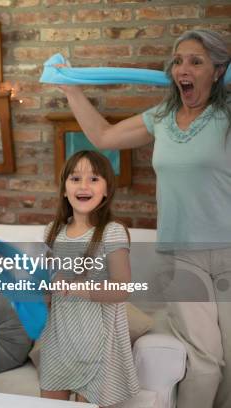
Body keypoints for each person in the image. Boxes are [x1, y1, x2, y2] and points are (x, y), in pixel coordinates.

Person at [55, 29, 231, 408]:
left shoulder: (228, 115)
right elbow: (103, 136)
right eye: (178, 60)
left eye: (196, 62)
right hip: (183, 255)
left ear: (217, 71)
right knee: (205, 363)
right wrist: (71, 89)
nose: (183, 68)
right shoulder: (162, 117)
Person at [39, 150, 139, 405]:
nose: (84, 185)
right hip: (58, 343)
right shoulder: (53, 231)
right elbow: (49, 287)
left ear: (107, 190)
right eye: (75, 179)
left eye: (94, 179)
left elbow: (121, 289)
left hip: (98, 345)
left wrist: (74, 287)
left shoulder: (112, 232)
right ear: (64, 189)